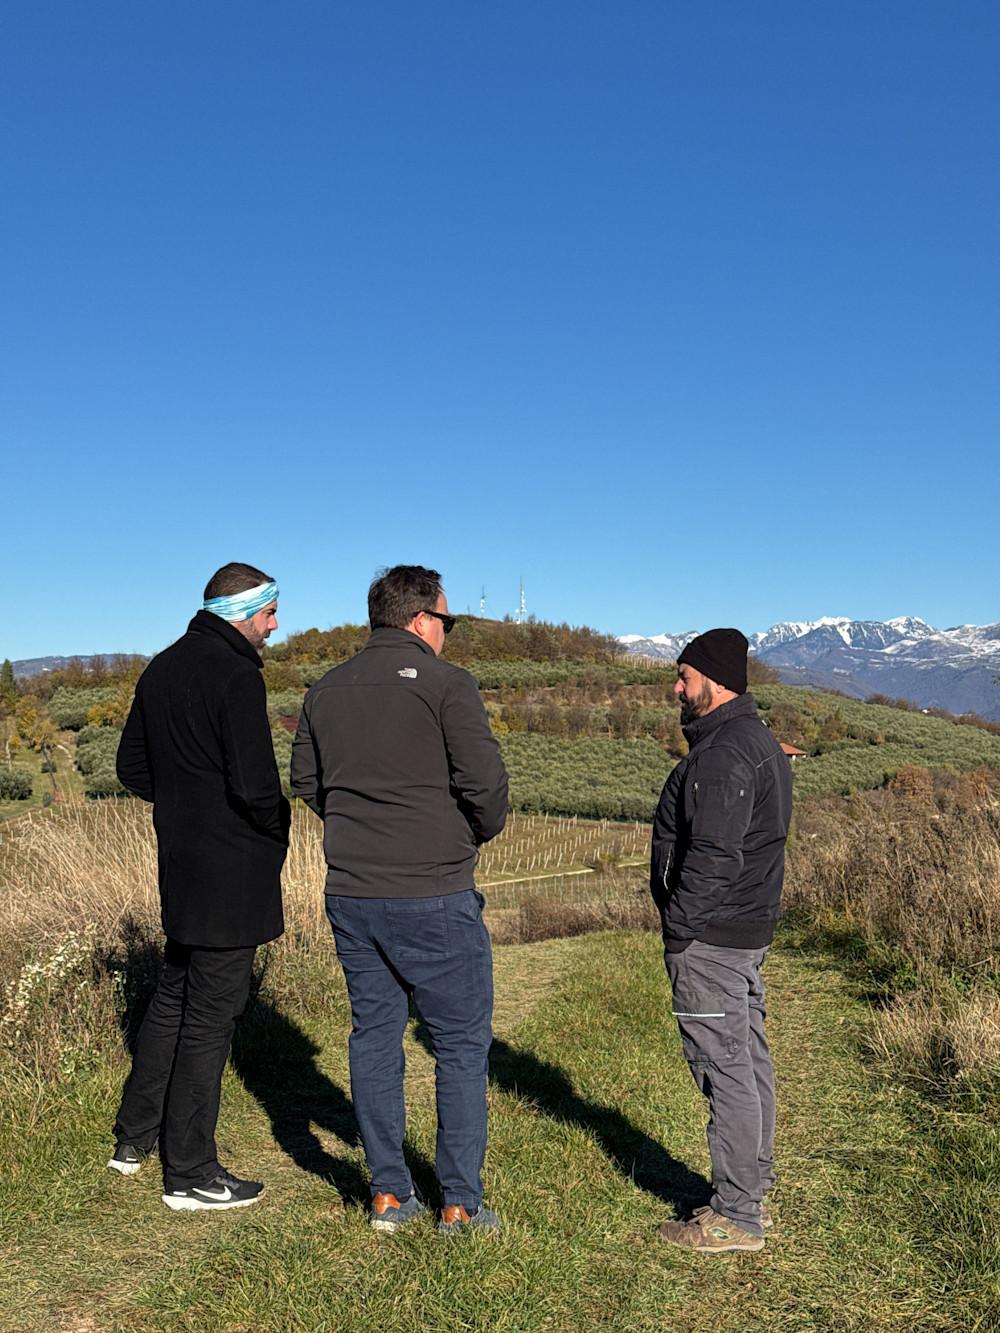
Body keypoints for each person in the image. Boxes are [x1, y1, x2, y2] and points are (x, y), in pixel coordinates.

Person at [291, 565, 508, 1234]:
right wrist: (457, 837)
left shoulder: (324, 689)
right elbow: (487, 789)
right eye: (447, 621)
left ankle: (388, 1194)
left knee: (375, 1036)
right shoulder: (447, 685)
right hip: (433, 888)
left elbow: (305, 779)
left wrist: (361, 828)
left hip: (352, 890)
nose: (448, 632)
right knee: (461, 1043)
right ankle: (459, 1203)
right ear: (420, 620)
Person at [111, 562, 289, 1211]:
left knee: (174, 995)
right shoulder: (237, 675)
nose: (275, 626)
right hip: (231, 872)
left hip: (180, 863)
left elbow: (131, 766)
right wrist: (274, 830)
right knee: (212, 1016)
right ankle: (189, 1172)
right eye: (270, 612)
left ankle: (133, 1139)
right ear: (243, 613)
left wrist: (185, 807)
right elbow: (257, 785)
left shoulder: (161, 668)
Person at [651, 629, 792, 1255]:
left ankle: (737, 1214)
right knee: (747, 1059)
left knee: (723, 1068)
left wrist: (682, 926)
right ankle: (750, 1187)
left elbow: (714, 854)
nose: (676, 688)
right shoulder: (757, 741)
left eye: (685, 677)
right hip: (743, 932)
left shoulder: (724, 754)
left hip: (712, 938)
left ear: (716, 681)